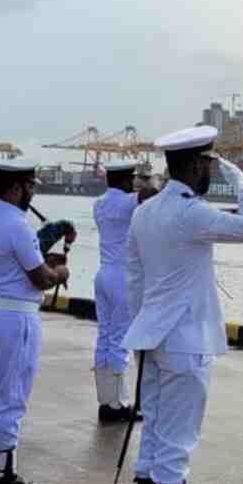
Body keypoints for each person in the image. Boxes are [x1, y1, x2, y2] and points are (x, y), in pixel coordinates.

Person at [123, 126, 243, 484]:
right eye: (209, 163)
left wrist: (141, 330)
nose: (211, 171)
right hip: (185, 343)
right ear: (195, 165)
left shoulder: (145, 213)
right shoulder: (189, 213)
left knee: (153, 442)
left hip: (152, 339)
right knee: (176, 445)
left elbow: (134, 280)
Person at [0, 162, 68, 484]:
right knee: (11, 398)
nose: (33, 192)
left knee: (0, 394)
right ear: (15, 188)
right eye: (30, 186)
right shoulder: (17, 225)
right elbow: (39, 277)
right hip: (16, 317)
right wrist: (60, 272)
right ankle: (1, 477)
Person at [92, 161, 148, 424]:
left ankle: (105, 400)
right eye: (133, 179)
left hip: (103, 273)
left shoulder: (100, 203)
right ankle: (118, 404)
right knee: (119, 338)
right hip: (121, 276)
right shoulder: (126, 202)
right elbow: (149, 195)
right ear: (125, 180)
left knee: (104, 335)